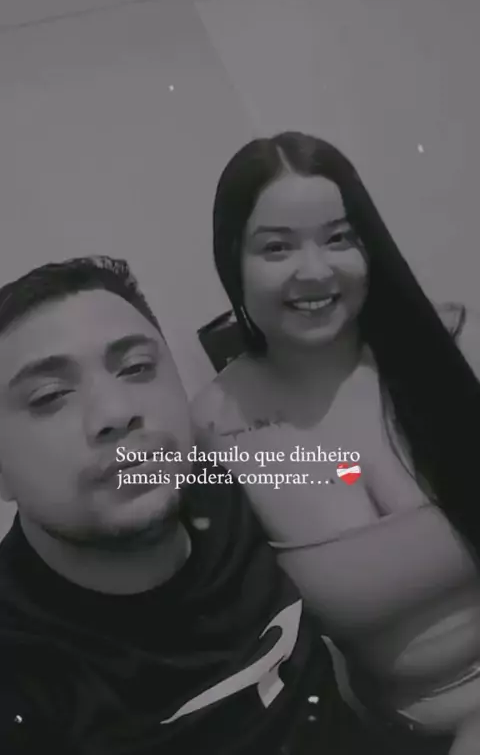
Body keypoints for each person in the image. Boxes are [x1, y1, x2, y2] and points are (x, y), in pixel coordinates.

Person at [0, 255, 390, 755]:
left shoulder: (236, 481)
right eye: (50, 395)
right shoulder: (22, 669)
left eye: (136, 367)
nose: (116, 412)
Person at [191, 131, 480, 754]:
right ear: (232, 260)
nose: (315, 270)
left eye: (339, 237)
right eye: (277, 247)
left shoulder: (455, 349)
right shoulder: (217, 429)